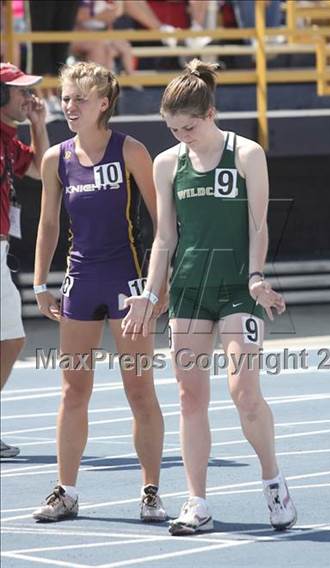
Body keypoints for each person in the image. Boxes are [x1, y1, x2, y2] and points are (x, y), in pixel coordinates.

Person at [121, 59, 297, 535]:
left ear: (211, 112)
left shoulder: (246, 154)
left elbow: (258, 224)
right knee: (189, 396)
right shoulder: (166, 164)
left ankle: (272, 479)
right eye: (173, 128)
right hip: (190, 291)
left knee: (244, 393)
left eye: (190, 126)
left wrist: (257, 276)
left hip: (240, 288)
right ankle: (196, 501)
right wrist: (149, 293)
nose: (182, 136)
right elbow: (163, 239)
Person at [32, 61, 166, 523]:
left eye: (79, 99)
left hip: (128, 284)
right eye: (66, 98)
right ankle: (65, 490)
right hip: (80, 283)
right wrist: (40, 285)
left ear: (103, 104)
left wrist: (156, 286)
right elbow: (49, 225)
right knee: (73, 391)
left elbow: (162, 221)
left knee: (140, 391)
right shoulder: (56, 159)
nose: (69, 106)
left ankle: (151, 490)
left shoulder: (130, 151)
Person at [0, 62, 49, 458]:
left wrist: (37, 122)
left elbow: (42, 170)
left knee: (11, 338)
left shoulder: (8, 138)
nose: (27, 97)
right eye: (20, 92)